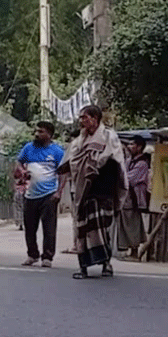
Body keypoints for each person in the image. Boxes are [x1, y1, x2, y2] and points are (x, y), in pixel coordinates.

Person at [58, 105, 128, 279]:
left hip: (103, 190)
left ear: (96, 119)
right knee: (82, 229)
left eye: (85, 117)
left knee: (102, 229)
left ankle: (106, 264)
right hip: (82, 191)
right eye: (81, 118)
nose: (82, 121)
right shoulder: (79, 141)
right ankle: (83, 267)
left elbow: (114, 159)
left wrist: (95, 165)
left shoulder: (109, 136)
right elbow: (69, 161)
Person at [15, 121, 66, 268]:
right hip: (30, 194)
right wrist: (22, 171)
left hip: (49, 195)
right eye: (36, 131)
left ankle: (47, 257)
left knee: (49, 228)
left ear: (49, 134)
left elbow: (63, 174)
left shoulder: (57, 151)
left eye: (41, 131)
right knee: (29, 227)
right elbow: (19, 162)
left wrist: (59, 192)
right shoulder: (28, 148)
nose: (37, 134)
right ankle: (32, 255)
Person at [119, 135, 150, 259]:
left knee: (133, 224)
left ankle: (134, 251)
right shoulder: (129, 161)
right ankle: (129, 249)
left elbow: (128, 179)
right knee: (127, 223)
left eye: (133, 144)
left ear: (139, 147)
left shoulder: (142, 163)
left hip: (135, 198)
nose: (129, 147)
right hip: (126, 198)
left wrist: (121, 177)